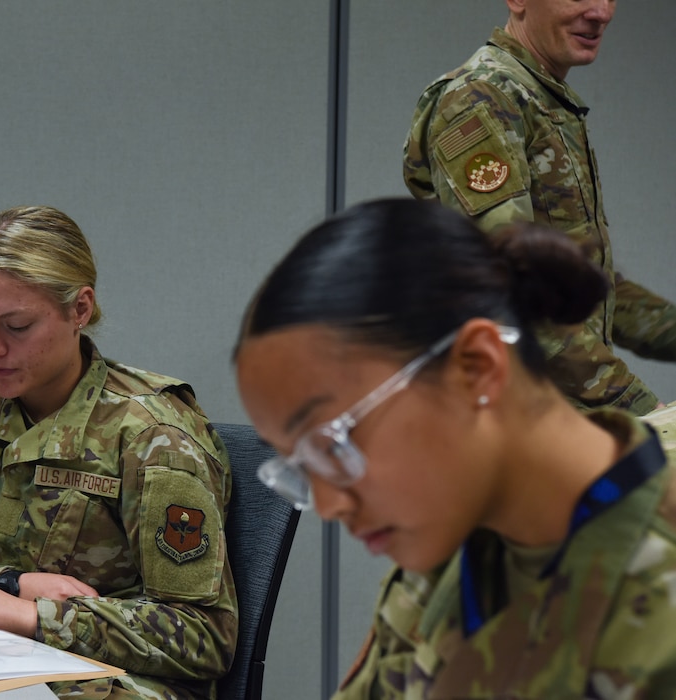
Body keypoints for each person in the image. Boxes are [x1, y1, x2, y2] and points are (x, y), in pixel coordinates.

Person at [233, 197, 676, 697]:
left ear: (477, 368)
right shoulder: (457, 539)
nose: (330, 505)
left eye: (333, 443)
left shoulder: (657, 615)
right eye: (301, 467)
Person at [0, 205, 237, 699]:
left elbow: (204, 636)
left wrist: (36, 616)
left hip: (110, 681)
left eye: (17, 326)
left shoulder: (152, 437)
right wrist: (9, 584)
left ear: (80, 310)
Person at [403, 0, 676, 416]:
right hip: (516, 431)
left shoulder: (541, 98)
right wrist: (641, 409)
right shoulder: (482, 98)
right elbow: (514, 289)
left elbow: (581, 286)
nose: (601, 12)